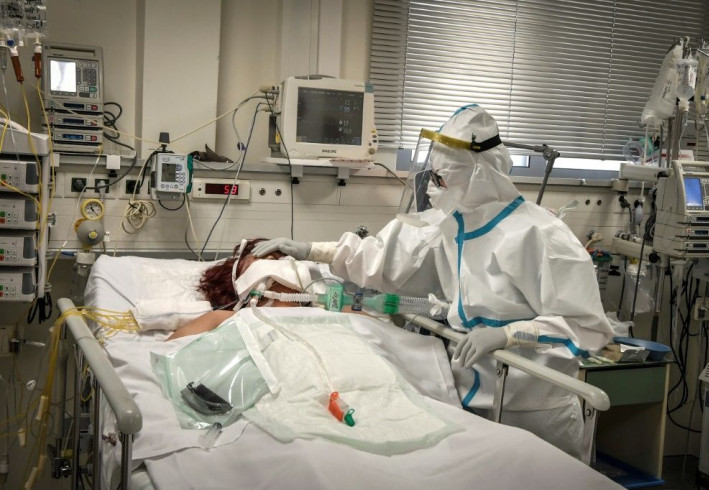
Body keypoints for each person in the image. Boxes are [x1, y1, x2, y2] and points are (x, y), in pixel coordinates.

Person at [252, 104, 614, 456]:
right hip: (469, 399)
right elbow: (382, 258)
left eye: (445, 177)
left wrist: (508, 334)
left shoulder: (542, 236)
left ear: (479, 173)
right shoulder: (450, 224)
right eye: (435, 175)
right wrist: (312, 249)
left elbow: (587, 327)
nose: (436, 185)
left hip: (534, 412)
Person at [167, 239, 305, 340]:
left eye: (280, 257)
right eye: (263, 260)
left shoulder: (323, 310)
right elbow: (164, 357)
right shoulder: (225, 320)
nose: (281, 263)